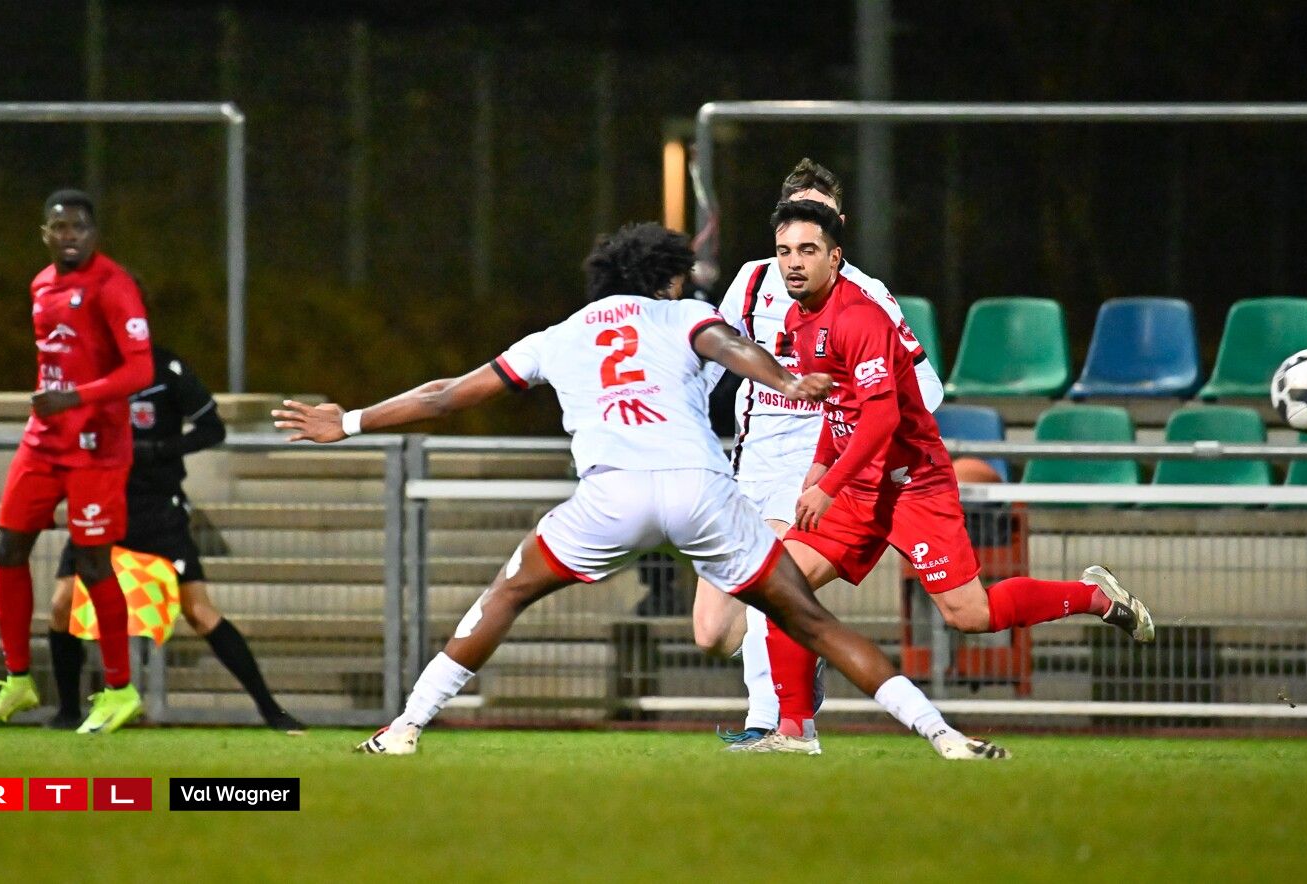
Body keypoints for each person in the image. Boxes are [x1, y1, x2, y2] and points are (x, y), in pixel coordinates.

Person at [273, 222, 1009, 760]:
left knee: (506, 595)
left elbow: (444, 396)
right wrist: (788, 382)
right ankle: (942, 735)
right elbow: (734, 348)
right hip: (701, 492)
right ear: (667, 278)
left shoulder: (558, 335)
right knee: (809, 621)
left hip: (610, 500)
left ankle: (405, 727)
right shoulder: (685, 314)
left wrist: (351, 420)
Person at [737, 199, 1155, 755]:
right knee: (779, 584)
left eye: (807, 250)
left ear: (835, 258)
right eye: (784, 251)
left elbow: (882, 419)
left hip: (912, 484)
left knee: (970, 614)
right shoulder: (797, 320)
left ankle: (1093, 597)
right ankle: (794, 730)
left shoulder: (859, 317)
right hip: (859, 487)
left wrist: (828, 486)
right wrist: (819, 468)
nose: (793, 262)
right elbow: (839, 410)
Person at [694, 159, 945, 751]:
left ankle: (773, 722)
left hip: (814, 467)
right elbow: (711, 359)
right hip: (747, 465)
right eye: (797, 221)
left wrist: (863, 418)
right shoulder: (752, 282)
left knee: (772, 582)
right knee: (712, 631)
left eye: (820, 219)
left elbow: (926, 388)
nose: (803, 245)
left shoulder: (867, 297)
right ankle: (805, 659)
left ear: (838, 232)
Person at [44, 343, 306, 733]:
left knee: (199, 611)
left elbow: (212, 427)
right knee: (62, 604)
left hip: (156, 508)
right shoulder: (87, 367)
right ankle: (67, 713)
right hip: (101, 502)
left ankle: (271, 711)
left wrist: (161, 450)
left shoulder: (165, 369)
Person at [0, 190, 154, 735]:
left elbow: (140, 370)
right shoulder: (41, 285)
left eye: (78, 227)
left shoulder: (113, 285)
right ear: (45, 234)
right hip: (45, 440)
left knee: (93, 565)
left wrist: (74, 398)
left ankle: (120, 690)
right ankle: (18, 680)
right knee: (8, 548)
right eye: (59, 227)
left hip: (96, 447)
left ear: (94, 234)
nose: (69, 235)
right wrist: (56, 402)